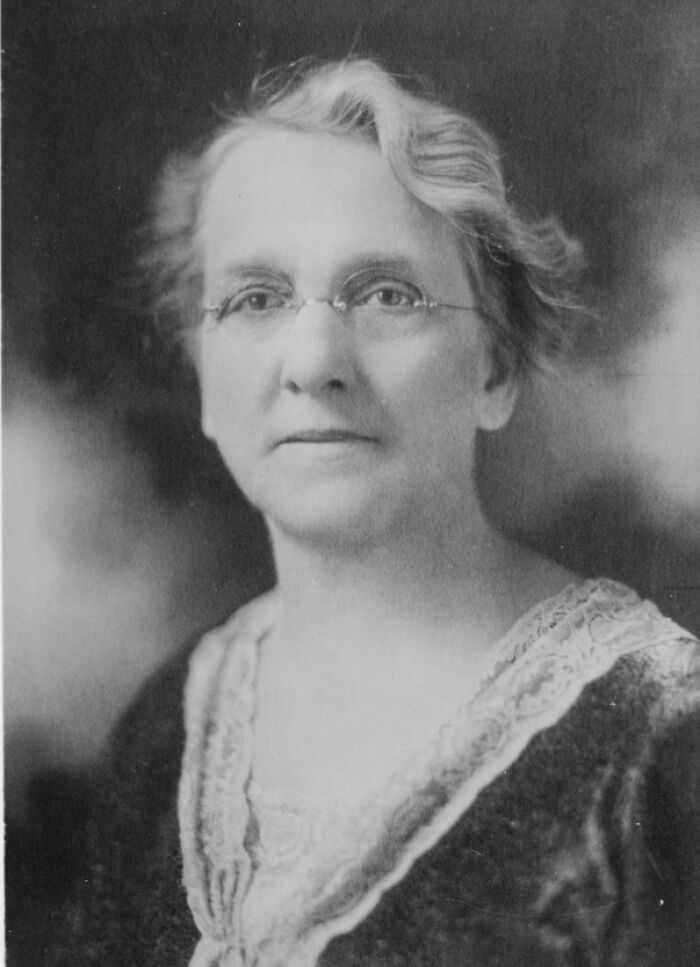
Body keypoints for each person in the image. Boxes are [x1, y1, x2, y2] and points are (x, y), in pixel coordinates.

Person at [55, 58, 700, 967]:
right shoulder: (170, 724)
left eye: (387, 294)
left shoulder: (658, 741)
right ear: (203, 380)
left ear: (498, 370)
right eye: (256, 299)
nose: (314, 360)